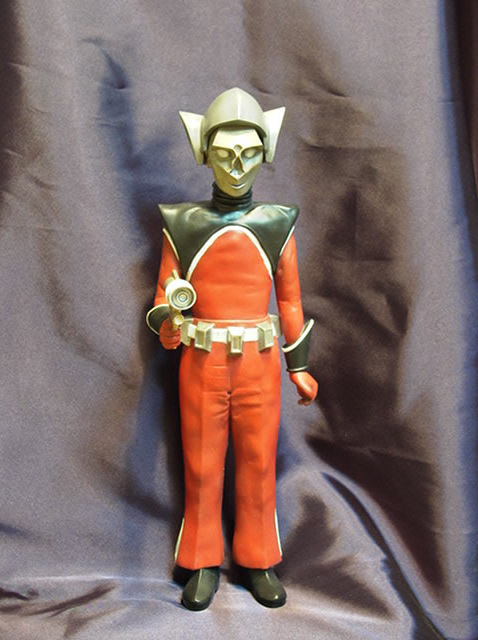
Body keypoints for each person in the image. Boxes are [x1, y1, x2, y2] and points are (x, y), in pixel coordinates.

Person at [147, 88, 318, 610]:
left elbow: (290, 300)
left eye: (248, 154)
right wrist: (168, 323)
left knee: (258, 463)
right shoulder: (182, 224)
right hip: (201, 362)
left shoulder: (277, 223)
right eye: (224, 154)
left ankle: (258, 559)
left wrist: (298, 366)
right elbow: (164, 296)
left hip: (259, 365)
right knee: (201, 465)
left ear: (265, 153)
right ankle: (200, 561)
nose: (236, 166)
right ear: (205, 153)